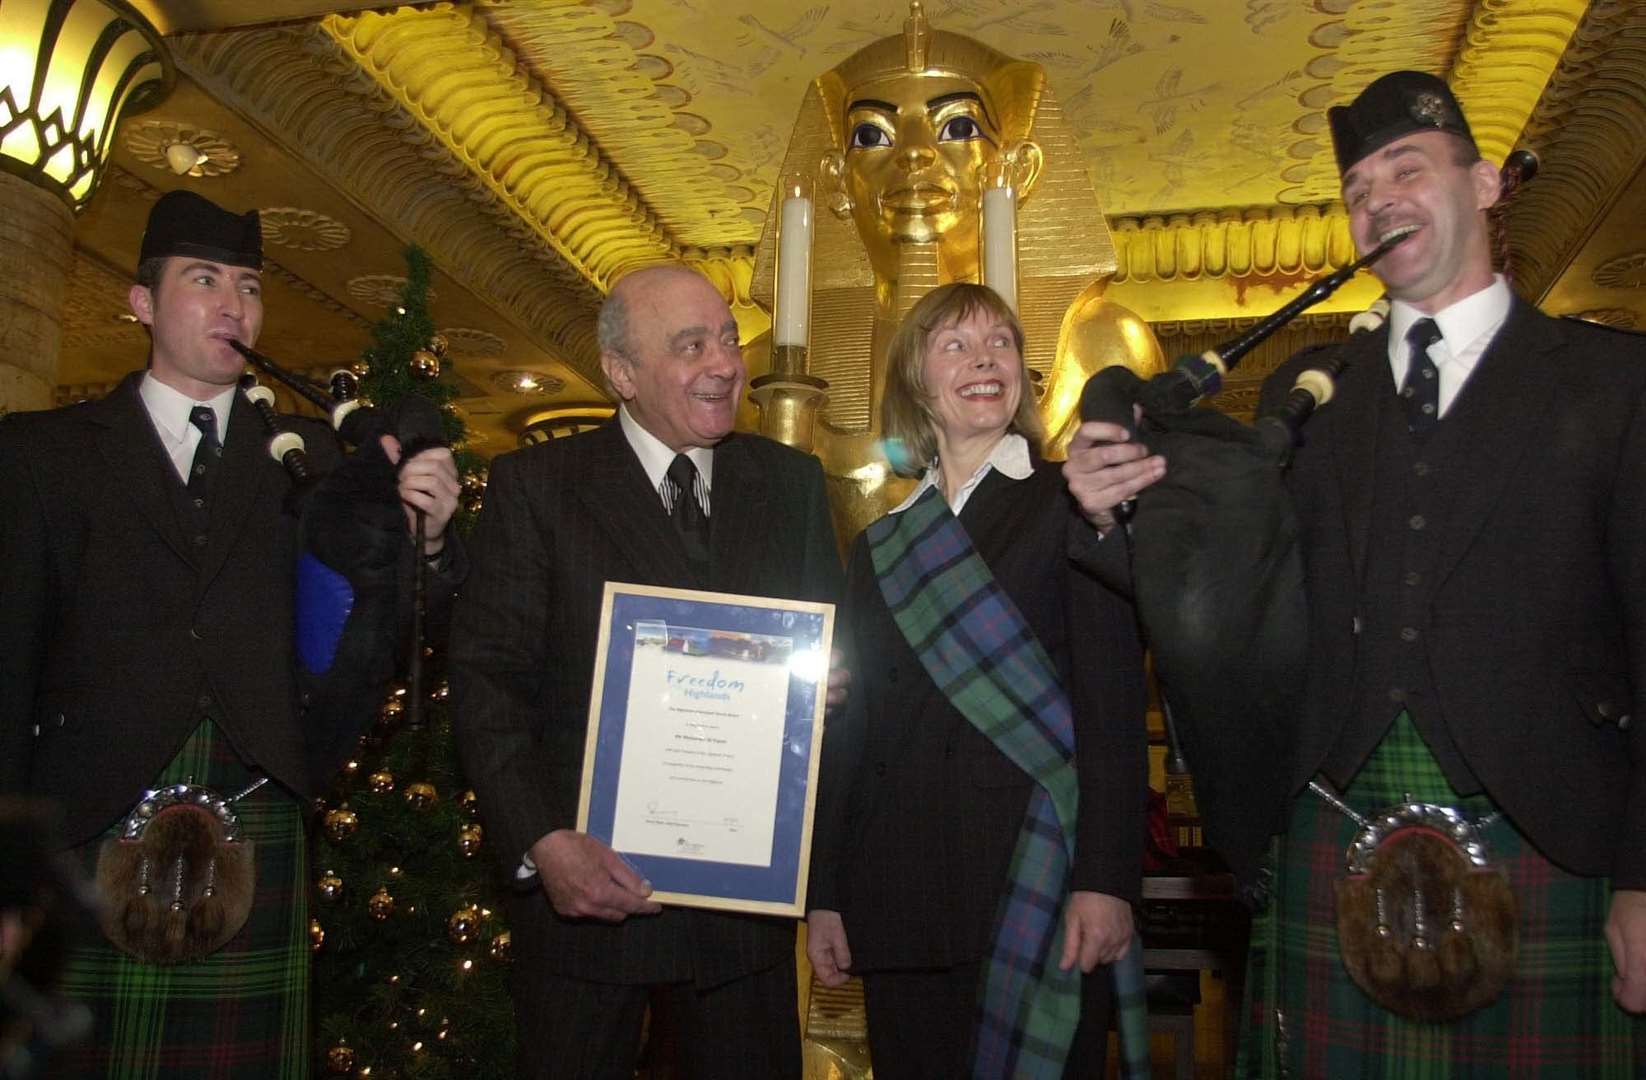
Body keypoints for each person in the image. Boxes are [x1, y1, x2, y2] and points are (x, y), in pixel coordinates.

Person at [1067, 70, 1646, 1074]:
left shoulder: (1612, 382)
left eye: (1405, 170)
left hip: (1554, 846)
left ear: (1486, 184)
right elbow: (1228, 591)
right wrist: (1108, 493)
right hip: (1331, 833)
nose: (1377, 200)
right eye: (1356, 192)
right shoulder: (1311, 407)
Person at [0, 189, 461, 1077]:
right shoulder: (41, 455)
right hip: (84, 830)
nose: (232, 305)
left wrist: (430, 539)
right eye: (203, 280)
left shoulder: (320, 462)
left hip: (257, 814)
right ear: (141, 302)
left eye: (248, 286)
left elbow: (397, 625)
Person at [449, 263, 844, 1080]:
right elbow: (488, 682)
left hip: (743, 922)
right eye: (692, 344)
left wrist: (824, 687)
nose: (727, 363)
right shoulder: (537, 488)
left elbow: (834, 669)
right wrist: (543, 840)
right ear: (621, 374)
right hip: (585, 908)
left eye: (730, 339)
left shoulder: (793, 484)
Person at [805, 282, 1147, 1078]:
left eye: (1001, 343)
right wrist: (827, 889)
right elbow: (854, 731)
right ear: (917, 380)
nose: (984, 359)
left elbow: (1112, 705)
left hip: (1033, 880)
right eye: (954, 345)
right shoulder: (880, 544)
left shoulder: (1071, 502)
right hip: (896, 889)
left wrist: (1107, 879)